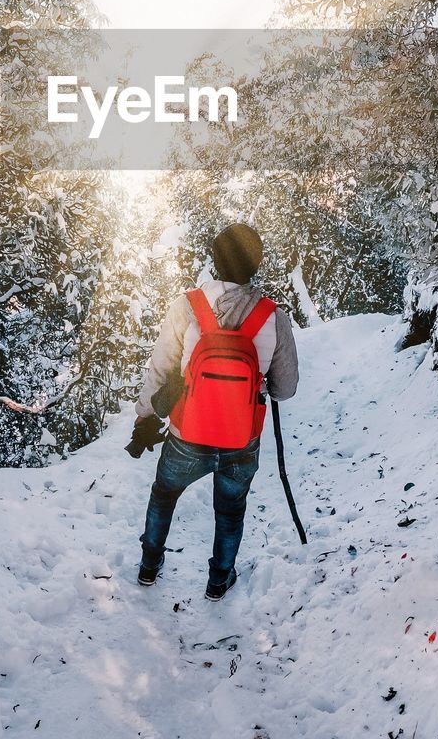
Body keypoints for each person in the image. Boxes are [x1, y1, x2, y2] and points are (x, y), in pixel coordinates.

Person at [128, 223, 299, 600]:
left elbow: (161, 369)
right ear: (255, 265)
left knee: (163, 495)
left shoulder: (188, 306)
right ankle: (219, 581)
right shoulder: (273, 317)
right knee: (231, 511)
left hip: (187, 434)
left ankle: (149, 567)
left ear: (215, 260)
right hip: (241, 440)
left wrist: (144, 415)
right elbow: (285, 390)